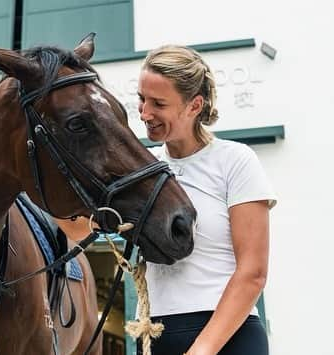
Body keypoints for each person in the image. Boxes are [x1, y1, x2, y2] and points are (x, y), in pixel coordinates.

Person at [133, 45, 277, 355]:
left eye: (158, 103)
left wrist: (202, 350)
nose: (144, 113)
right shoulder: (141, 168)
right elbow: (80, 231)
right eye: (141, 99)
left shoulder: (235, 161)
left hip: (228, 338)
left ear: (194, 105)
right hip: (154, 336)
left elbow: (253, 272)